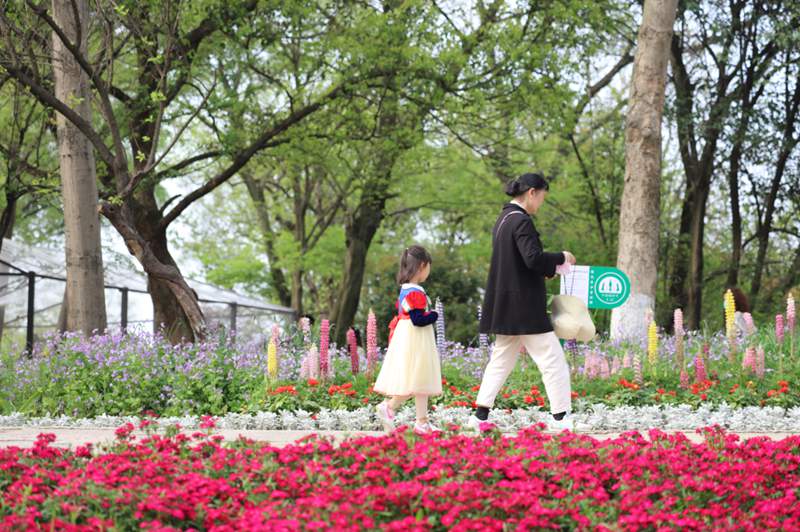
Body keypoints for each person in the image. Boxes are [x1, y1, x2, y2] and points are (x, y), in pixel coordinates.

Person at [467, 172, 578, 432]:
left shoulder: (503, 220)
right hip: (525, 307)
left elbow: (519, 264)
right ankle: (560, 418)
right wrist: (561, 257)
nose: (540, 204)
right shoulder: (521, 220)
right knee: (552, 360)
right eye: (541, 198)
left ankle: (480, 416)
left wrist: (546, 269)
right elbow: (533, 258)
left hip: (505, 305)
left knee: (500, 361)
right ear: (532, 193)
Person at [374, 245, 442, 434]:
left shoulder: (406, 289)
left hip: (408, 336)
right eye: (428, 267)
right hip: (416, 338)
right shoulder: (415, 292)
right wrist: (434, 315)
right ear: (422, 266)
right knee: (417, 378)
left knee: (419, 380)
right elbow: (418, 320)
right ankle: (390, 407)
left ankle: (421, 421)